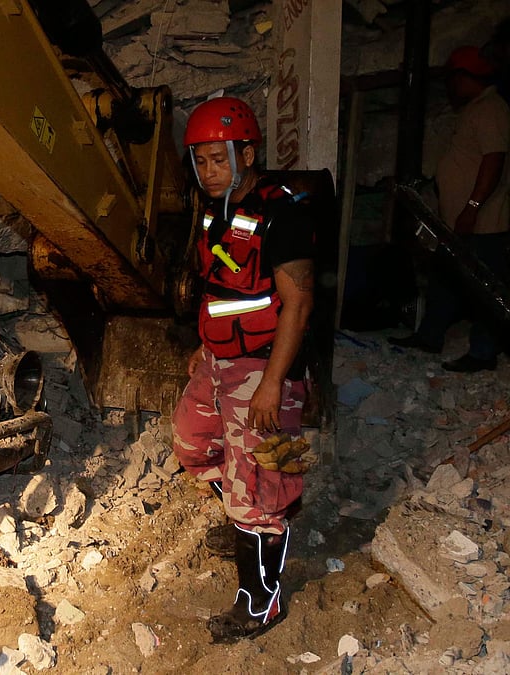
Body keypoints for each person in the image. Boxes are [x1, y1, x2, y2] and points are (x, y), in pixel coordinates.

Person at [172, 96, 316, 643]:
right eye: (201, 161)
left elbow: (297, 304)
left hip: (262, 368)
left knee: (258, 486)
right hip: (219, 359)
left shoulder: (283, 212)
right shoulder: (218, 208)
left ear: (247, 152)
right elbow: (221, 286)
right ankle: (243, 517)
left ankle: (262, 602)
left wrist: (274, 384)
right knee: (190, 443)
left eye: (218, 159)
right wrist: (204, 344)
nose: (208, 172)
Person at [388, 46, 510, 371]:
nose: (450, 87)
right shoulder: (477, 109)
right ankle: (430, 335)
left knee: (484, 286)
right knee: (447, 277)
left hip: (483, 221)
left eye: (453, 79)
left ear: (465, 77)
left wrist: (472, 206)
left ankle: (483, 353)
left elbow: (493, 160)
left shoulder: (491, 110)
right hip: (459, 221)